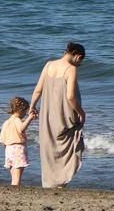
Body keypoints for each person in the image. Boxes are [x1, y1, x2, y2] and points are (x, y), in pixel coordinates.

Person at [29, 42, 86, 188]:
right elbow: (71, 97)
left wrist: (32, 106)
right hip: (64, 116)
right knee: (68, 150)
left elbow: (37, 90)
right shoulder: (71, 69)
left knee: (50, 150)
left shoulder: (49, 65)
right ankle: (61, 183)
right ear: (78, 56)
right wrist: (81, 113)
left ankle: (50, 183)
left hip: (47, 117)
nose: (79, 65)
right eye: (80, 61)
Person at [0, 96, 37, 186]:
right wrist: (30, 118)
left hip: (8, 150)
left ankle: (14, 186)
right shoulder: (17, 120)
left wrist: (7, 148)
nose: (25, 114)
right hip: (18, 149)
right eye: (25, 111)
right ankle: (15, 190)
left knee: (14, 175)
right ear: (21, 110)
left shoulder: (6, 122)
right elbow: (22, 128)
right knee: (17, 177)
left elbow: (1, 140)